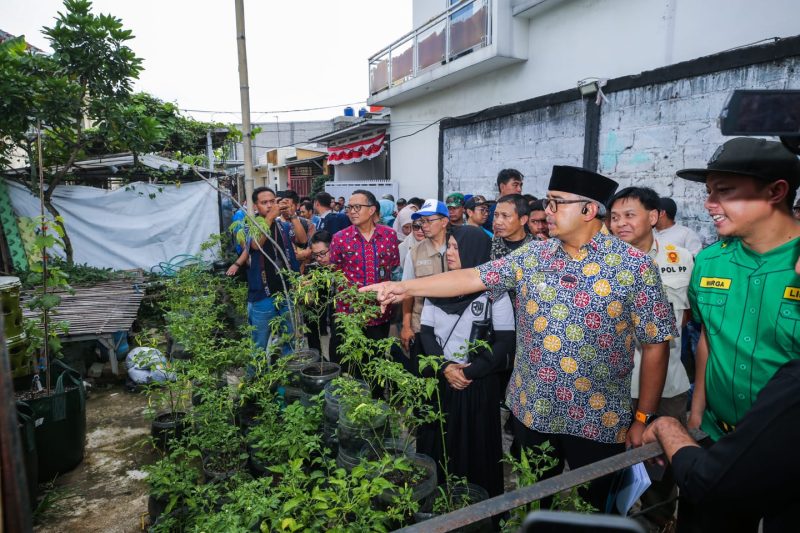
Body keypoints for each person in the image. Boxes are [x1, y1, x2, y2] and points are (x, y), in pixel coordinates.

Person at [363, 166, 675, 511]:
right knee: (535, 502)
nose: (547, 211)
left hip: (597, 418)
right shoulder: (534, 256)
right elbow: (471, 277)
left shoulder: (633, 266)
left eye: (556, 203)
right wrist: (403, 287)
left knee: (598, 508)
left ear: (588, 210)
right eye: (548, 202)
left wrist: (643, 418)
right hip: (533, 410)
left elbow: (656, 345)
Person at [674, 137, 800, 439]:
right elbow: (709, 338)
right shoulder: (709, 262)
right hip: (717, 432)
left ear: (776, 191)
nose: (709, 203)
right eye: (709, 191)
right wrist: (697, 412)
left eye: (725, 190)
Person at [608, 186, 693, 528]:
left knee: (660, 472)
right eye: (614, 217)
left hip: (667, 386)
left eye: (629, 215)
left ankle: (658, 522)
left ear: (654, 216)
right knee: (611, 470)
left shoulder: (680, 259)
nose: (620, 224)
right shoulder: (600, 263)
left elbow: (688, 317)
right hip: (611, 386)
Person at [643, 358, 800, 533]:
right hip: (713, 431)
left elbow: (709, 481)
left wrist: (666, 428)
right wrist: (696, 412)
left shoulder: (794, 384)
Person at [418, 225, 515, 498]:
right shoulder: (437, 286)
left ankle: (476, 507)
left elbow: (505, 342)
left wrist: (468, 373)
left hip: (477, 384)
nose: (449, 252)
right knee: (439, 441)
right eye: (448, 246)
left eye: (456, 247)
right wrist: (445, 368)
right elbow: (426, 333)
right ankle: (437, 502)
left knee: (475, 446)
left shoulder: (494, 291)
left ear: (473, 251)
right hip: (441, 380)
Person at [329, 189, 400, 370]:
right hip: (349, 314)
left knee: (375, 361)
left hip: (379, 312)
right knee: (350, 364)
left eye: (357, 207)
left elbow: (394, 269)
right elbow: (334, 272)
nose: (352, 211)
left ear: (371, 209)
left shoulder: (389, 236)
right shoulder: (340, 238)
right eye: (349, 207)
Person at [226, 187, 300, 354]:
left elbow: (302, 240)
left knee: (289, 341)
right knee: (259, 344)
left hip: (286, 292)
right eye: (264, 202)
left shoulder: (283, 226)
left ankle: (287, 369)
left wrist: (293, 215)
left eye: (272, 201)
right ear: (255, 206)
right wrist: (270, 217)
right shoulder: (248, 226)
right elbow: (255, 245)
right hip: (262, 295)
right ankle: (258, 371)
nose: (269, 205)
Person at [400, 199, 451, 354]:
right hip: (421, 326)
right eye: (422, 221)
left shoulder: (457, 246)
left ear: (444, 222)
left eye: (429, 221)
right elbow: (407, 292)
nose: (424, 226)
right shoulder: (414, 253)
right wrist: (406, 326)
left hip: (454, 326)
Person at [304, 230, 334, 355]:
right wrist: (305, 293)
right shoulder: (314, 271)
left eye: (323, 253)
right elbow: (309, 306)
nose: (320, 259)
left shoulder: (346, 267)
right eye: (316, 255)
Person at [490, 194, 533, 260]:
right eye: (496, 215)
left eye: (505, 216)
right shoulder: (488, 244)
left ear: (523, 220)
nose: (498, 222)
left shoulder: (538, 247)